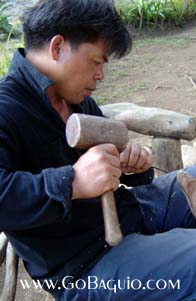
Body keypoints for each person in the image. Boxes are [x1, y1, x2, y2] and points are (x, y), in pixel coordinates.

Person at [1, 0, 196, 300]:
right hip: (86, 265)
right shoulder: (6, 109)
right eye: (96, 61)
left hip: (133, 213)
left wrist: (133, 165)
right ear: (58, 48)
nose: (101, 75)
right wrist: (73, 183)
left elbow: (112, 164)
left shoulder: (77, 101)